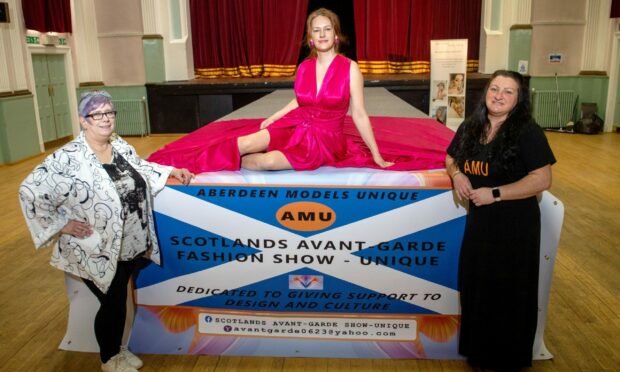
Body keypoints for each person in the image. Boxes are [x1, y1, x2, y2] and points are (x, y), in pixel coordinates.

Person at [148, 8, 453, 173]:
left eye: (327, 29)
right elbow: (300, 99)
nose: (321, 34)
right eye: (316, 30)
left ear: (336, 36)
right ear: (310, 38)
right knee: (243, 140)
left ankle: (241, 161)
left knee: (266, 162)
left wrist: (377, 155)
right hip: (295, 124)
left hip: (324, 139)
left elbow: (358, 114)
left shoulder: (350, 68)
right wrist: (273, 117)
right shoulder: (304, 67)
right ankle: (188, 166)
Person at [18, 91, 193, 372]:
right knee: (111, 302)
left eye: (110, 112)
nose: (106, 119)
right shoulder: (67, 158)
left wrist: (172, 169)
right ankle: (109, 358)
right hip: (94, 246)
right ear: (83, 120)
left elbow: (141, 168)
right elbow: (29, 190)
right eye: (97, 114)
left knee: (117, 299)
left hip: (128, 241)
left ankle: (118, 350)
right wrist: (61, 225)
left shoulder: (119, 145)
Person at [445, 70, 556, 370]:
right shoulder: (472, 125)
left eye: (508, 91)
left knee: (508, 292)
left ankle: (507, 358)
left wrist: (495, 193)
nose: (499, 95)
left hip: (515, 227)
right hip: (480, 225)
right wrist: (457, 175)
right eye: (494, 89)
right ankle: (479, 352)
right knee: (477, 287)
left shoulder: (527, 132)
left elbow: (542, 179)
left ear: (519, 99)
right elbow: (451, 157)